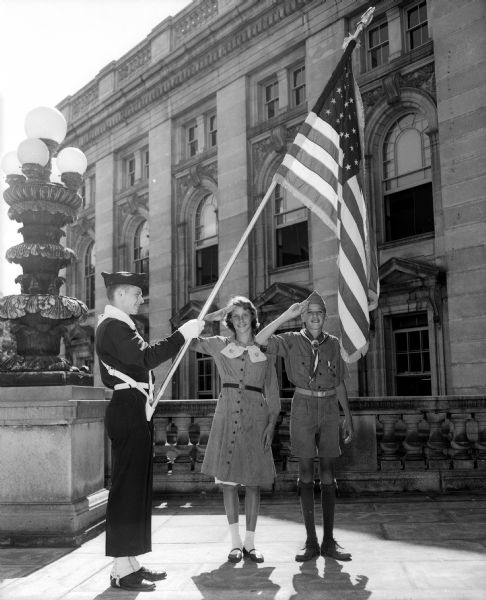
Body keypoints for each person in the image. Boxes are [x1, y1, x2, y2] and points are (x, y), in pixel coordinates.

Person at [96, 271, 204, 592]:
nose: (140, 299)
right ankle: (119, 568)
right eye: (135, 294)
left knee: (137, 489)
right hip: (127, 408)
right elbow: (146, 357)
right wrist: (181, 335)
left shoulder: (122, 325)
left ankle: (131, 562)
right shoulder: (113, 326)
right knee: (127, 490)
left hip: (135, 407)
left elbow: (141, 362)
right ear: (119, 295)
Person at [255, 291, 354, 562]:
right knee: (307, 470)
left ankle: (329, 541)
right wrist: (287, 315)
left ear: (325, 316)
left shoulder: (333, 343)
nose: (314, 317)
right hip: (302, 406)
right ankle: (310, 541)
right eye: (309, 313)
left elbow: (340, 382)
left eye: (319, 313)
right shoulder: (290, 340)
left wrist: (348, 416)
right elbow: (259, 340)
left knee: (327, 471)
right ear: (304, 316)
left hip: (330, 408)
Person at [192, 296, 281, 564]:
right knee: (228, 483)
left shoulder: (265, 346)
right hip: (227, 414)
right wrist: (210, 317)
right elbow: (189, 340)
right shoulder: (221, 346)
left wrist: (272, 423)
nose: (240, 320)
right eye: (235, 316)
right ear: (229, 320)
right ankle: (234, 543)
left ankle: (250, 544)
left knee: (253, 481)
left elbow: (273, 390)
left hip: (256, 415)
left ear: (253, 317)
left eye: (245, 314)